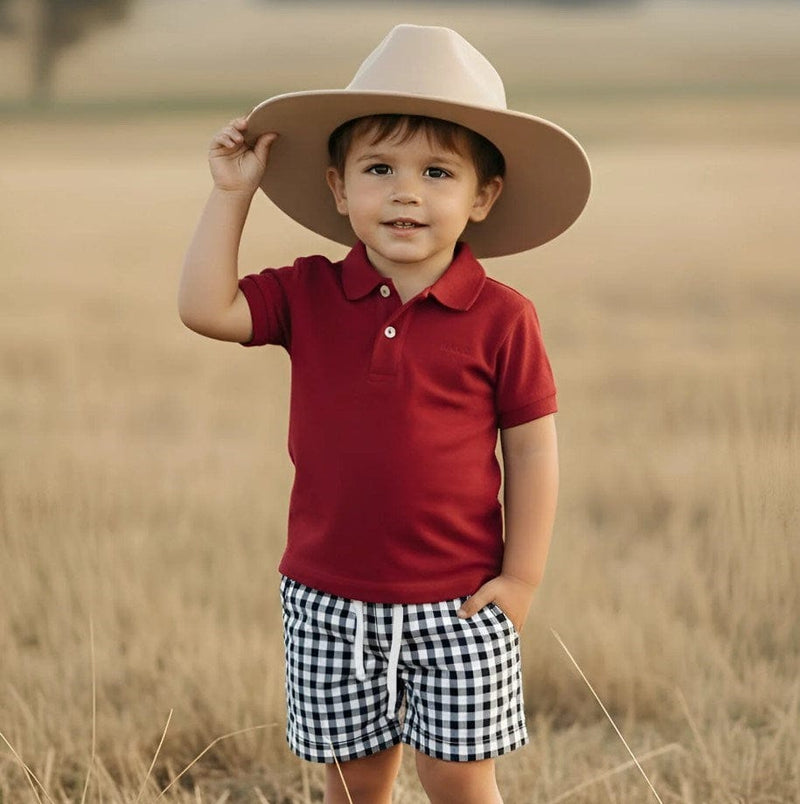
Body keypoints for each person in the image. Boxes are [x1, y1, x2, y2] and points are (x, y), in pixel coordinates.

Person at [178, 24, 590, 804]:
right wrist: (232, 193)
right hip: (328, 601)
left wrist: (522, 579)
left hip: (462, 603)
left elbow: (534, 452)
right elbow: (205, 307)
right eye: (379, 168)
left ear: (482, 196)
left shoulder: (503, 317)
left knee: (461, 786)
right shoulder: (308, 293)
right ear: (339, 189)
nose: (406, 191)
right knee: (355, 787)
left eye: (438, 171)